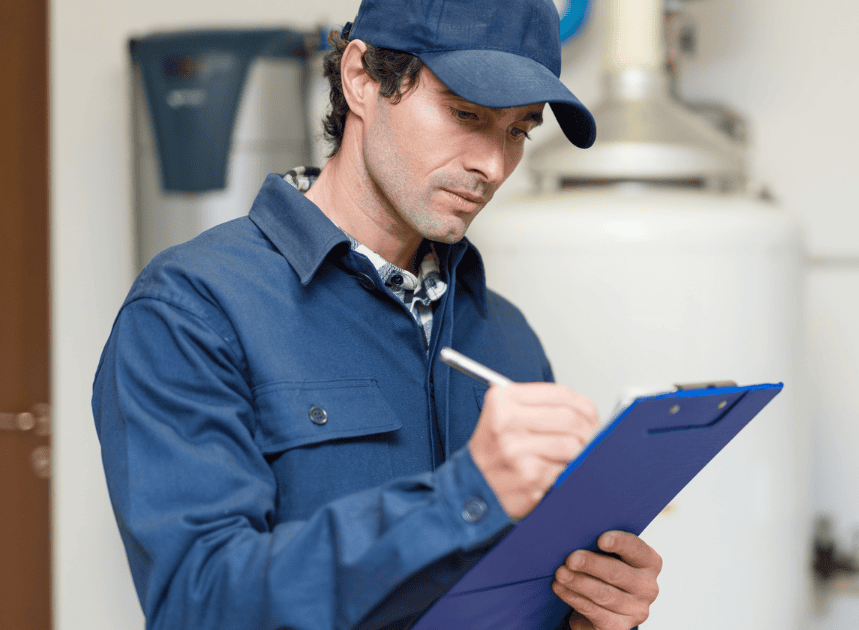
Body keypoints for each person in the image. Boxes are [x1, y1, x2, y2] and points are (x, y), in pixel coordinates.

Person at [91, 1, 662, 628]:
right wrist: (461, 498)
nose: (493, 166)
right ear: (362, 78)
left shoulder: (505, 334)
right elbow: (199, 605)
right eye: (465, 113)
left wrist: (585, 612)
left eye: (518, 131)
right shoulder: (194, 310)